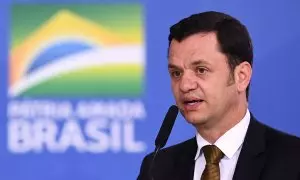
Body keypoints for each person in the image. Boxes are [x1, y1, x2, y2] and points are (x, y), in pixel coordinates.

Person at [137, 11, 300, 180]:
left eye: (201, 70)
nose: (185, 85)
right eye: (176, 73)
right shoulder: (156, 168)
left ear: (241, 76)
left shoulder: (293, 160)